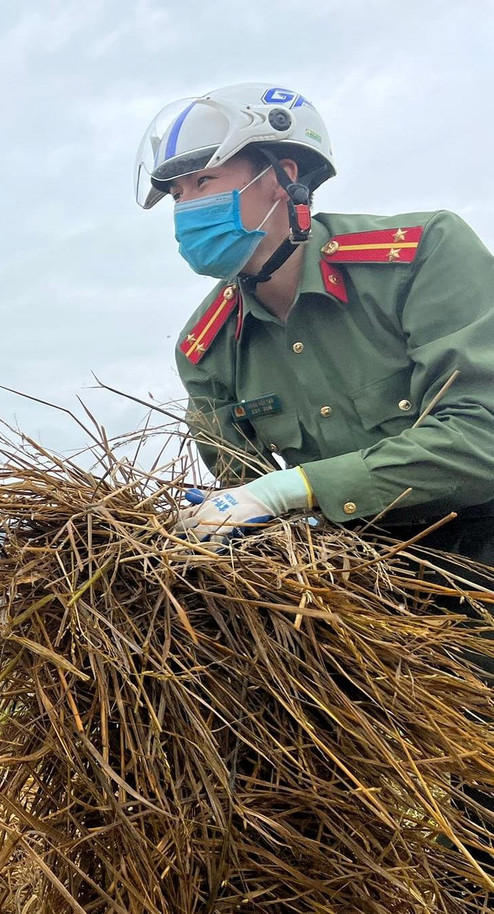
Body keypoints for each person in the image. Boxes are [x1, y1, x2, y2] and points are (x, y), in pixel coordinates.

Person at [136, 81, 494, 896]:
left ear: (286, 176)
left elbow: (484, 433)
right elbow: (246, 497)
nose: (188, 209)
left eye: (206, 182)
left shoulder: (420, 257)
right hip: (372, 591)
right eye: (178, 194)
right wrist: (220, 526)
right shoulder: (207, 347)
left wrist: (293, 487)